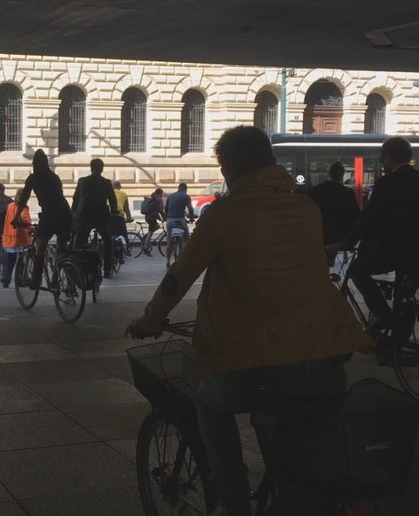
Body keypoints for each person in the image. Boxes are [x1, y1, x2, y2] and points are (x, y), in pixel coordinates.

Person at [126, 126, 369, 516]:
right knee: (297, 425)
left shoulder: (223, 214)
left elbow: (179, 277)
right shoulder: (306, 209)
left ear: (231, 168)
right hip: (326, 361)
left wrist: (150, 319)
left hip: (257, 365)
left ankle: (234, 499)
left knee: (210, 402)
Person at [335, 137, 419, 325]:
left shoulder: (387, 182)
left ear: (389, 157)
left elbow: (368, 217)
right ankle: (398, 345)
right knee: (405, 300)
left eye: (382, 159)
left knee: (357, 271)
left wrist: (348, 242)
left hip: (393, 250)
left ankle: (384, 316)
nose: (383, 164)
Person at [15, 149, 74, 288]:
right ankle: (65, 279)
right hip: (65, 213)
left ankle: (35, 281)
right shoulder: (54, 176)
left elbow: (23, 199)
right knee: (62, 249)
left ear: (34, 163)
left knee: (40, 247)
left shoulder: (33, 178)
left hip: (50, 215)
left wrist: (16, 217)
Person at [72, 158, 119, 278]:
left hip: (85, 216)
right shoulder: (106, 182)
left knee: (80, 241)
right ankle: (107, 269)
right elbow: (112, 200)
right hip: (101, 217)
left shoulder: (83, 181)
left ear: (91, 168)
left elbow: (76, 198)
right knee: (108, 241)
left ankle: (77, 265)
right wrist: (114, 211)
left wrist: (74, 214)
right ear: (102, 169)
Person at [306, 161, 361, 245]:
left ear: (329, 174)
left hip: (321, 234)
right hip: (341, 236)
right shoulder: (348, 192)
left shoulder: (316, 190)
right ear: (342, 175)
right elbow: (355, 215)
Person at [0, 189, 33, 288]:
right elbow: (26, 221)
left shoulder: (10, 206)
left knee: (8, 262)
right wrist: (32, 228)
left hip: (9, 238)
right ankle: (21, 279)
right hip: (20, 239)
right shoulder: (23, 207)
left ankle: (6, 279)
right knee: (21, 261)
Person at [163, 182, 195, 262]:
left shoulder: (170, 196)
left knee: (170, 242)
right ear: (185, 189)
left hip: (170, 220)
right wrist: (191, 219)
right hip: (181, 220)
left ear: (178, 188)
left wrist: (167, 218)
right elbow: (190, 209)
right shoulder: (186, 196)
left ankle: (168, 261)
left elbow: (166, 210)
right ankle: (181, 261)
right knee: (186, 240)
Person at [111, 180, 133, 263]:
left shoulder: (108, 193)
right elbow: (126, 208)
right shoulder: (123, 194)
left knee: (109, 236)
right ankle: (126, 250)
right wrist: (129, 218)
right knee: (123, 235)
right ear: (119, 187)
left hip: (108, 217)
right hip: (119, 217)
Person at [142, 188, 165, 256]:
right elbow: (160, 210)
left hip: (147, 217)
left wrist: (159, 218)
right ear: (161, 193)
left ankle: (145, 239)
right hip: (152, 218)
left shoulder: (152, 197)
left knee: (157, 226)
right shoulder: (159, 199)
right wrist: (164, 218)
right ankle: (146, 249)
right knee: (150, 233)